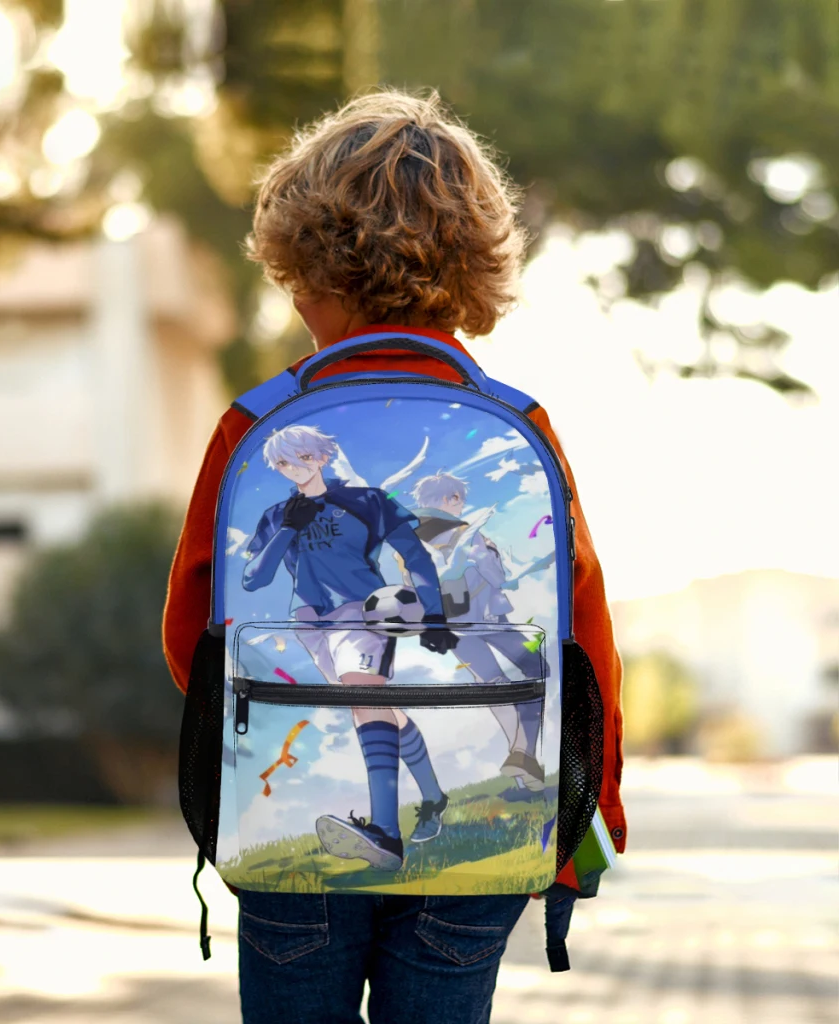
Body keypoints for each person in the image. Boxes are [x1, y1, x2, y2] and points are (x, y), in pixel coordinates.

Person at [164, 89, 625, 1024]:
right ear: (474, 270)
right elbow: (584, 634)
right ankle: (429, 802)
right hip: (479, 864)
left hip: (289, 821)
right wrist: (590, 814)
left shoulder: (254, 425)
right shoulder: (520, 426)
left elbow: (190, 635)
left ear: (309, 271)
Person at [243, 423, 458, 868]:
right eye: (282, 463)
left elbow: (413, 555)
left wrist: (434, 614)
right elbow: (253, 579)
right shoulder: (276, 514)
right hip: (310, 624)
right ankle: (434, 797)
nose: (291, 469)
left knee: (364, 699)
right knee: (378, 707)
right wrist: (287, 528)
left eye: (300, 458)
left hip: (364, 614)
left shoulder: (367, 501)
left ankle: (385, 835)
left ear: (321, 457)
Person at [405, 471, 547, 792]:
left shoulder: (411, 539)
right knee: (537, 673)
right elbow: (496, 577)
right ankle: (522, 753)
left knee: (494, 685)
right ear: (450, 499)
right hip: (490, 620)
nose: (461, 505)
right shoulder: (467, 533)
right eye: (459, 499)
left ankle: (523, 764)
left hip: (452, 628)